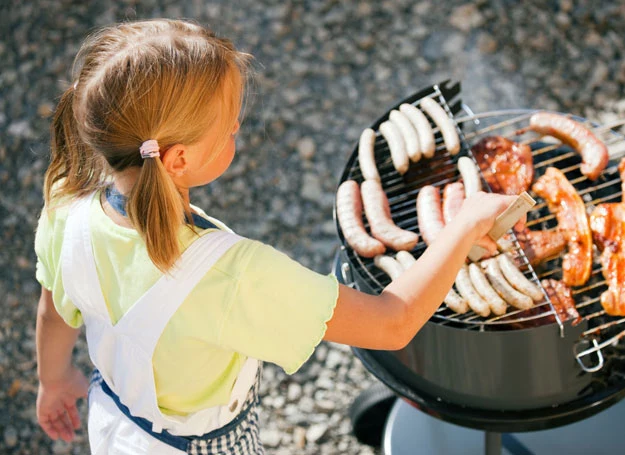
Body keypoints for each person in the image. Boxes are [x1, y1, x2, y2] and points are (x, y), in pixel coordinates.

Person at [34, 19, 521, 455]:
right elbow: (391, 324)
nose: (237, 129)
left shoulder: (66, 209)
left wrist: (53, 380)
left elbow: (54, 309)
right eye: (228, 128)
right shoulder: (231, 275)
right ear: (177, 160)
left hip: (119, 428)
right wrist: (462, 228)